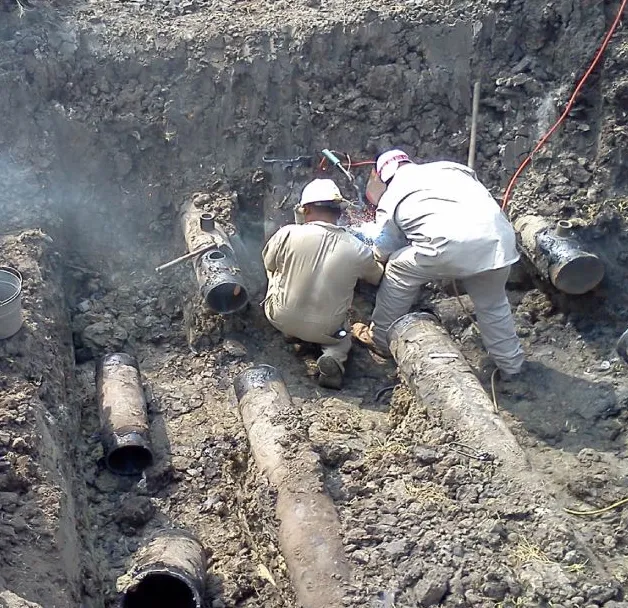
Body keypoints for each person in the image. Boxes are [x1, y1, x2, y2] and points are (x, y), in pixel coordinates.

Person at [352, 149, 525, 379]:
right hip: (498, 240)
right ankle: (512, 367)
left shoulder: (391, 195)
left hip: (449, 248)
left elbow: (385, 247)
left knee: (397, 268)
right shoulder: (452, 168)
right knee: (493, 305)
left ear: (381, 177)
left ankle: (381, 338)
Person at [262, 178, 384, 389]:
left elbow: (269, 264)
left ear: (305, 209)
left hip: (280, 317)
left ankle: (291, 332)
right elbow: (376, 277)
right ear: (339, 212)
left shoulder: (287, 233)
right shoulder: (358, 248)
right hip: (327, 330)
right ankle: (334, 358)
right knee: (343, 337)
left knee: (274, 272)